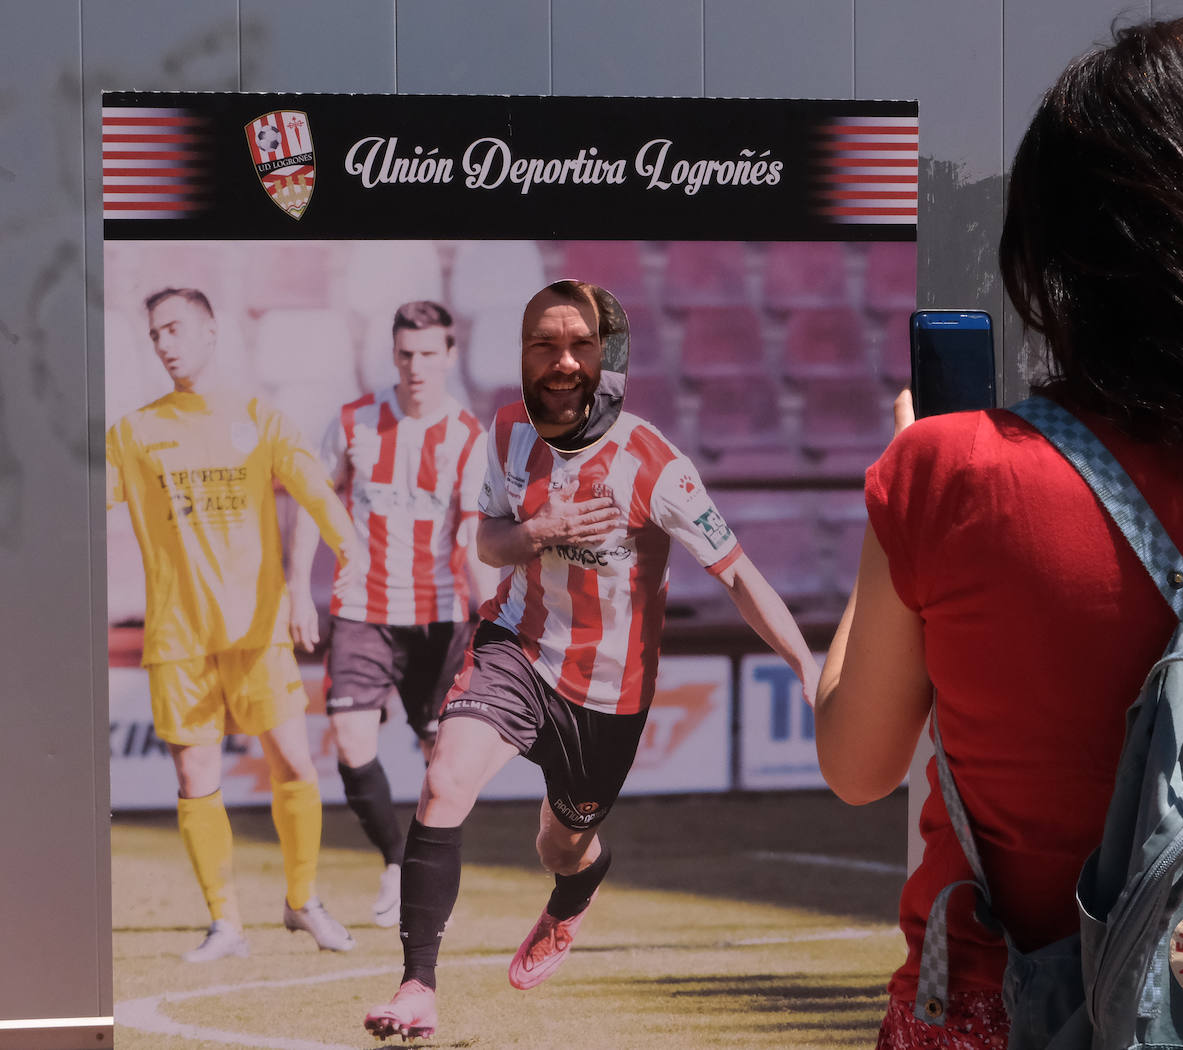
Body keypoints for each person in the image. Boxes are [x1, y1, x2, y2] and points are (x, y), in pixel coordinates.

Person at [814, 17, 1183, 1050]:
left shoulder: (948, 475)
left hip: (1014, 1011)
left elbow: (857, 761)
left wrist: (893, 499)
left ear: (1054, 253)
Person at [363, 280, 821, 1041]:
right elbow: (489, 542)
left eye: (578, 345)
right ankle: (417, 986)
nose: (561, 360)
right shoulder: (506, 431)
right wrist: (542, 528)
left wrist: (804, 662)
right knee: (443, 782)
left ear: (607, 360)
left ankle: (574, 894)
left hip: (608, 693)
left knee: (561, 844)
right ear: (523, 355)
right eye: (544, 343)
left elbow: (738, 571)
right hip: (516, 646)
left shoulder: (656, 465)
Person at [106, 288, 362, 961]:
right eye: (155, 334)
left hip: (258, 630)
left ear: (213, 330)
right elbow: (75, 506)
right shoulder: (134, 434)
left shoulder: (258, 417)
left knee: (297, 765)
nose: (165, 343)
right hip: (178, 639)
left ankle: (303, 901)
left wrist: (351, 550)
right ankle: (226, 923)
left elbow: (312, 487)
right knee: (197, 782)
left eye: (176, 329)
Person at [287, 300, 496, 928]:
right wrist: (299, 588)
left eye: (429, 353)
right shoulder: (354, 421)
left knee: (445, 762)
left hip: (440, 616)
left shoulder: (466, 436)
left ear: (449, 356)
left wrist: (491, 619)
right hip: (362, 610)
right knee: (351, 742)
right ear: (392, 353)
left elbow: (475, 538)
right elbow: (311, 501)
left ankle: (429, 879)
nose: (416, 366)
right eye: (406, 353)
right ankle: (396, 861)